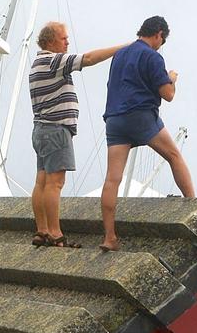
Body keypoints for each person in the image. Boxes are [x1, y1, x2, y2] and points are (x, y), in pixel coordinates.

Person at [100, 16, 195, 252]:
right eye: (162, 40)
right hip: (140, 115)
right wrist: (171, 79)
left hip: (114, 118)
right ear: (159, 34)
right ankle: (194, 206)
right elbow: (168, 95)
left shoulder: (120, 54)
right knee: (174, 156)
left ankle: (109, 238)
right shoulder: (153, 56)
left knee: (112, 178)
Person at [29, 21, 125, 248]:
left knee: (41, 181)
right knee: (55, 183)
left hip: (41, 130)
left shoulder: (37, 63)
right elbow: (89, 59)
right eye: (64, 39)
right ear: (51, 41)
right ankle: (55, 232)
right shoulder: (53, 61)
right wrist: (121, 48)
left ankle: (41, 230)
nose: (67, 43)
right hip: (56, 129)